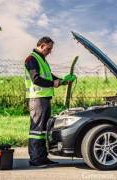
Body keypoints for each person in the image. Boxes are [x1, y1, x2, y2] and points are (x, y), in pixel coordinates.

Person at [24, 37, 75, 167]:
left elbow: (49, 76)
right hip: (37, 99)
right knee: (36, 131)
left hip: (44, 98)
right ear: (41, 45)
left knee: (42, 131)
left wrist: (62, 81)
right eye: (48, 49)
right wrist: (53, 83)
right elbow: (36, 79)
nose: (50, 51)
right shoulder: (31, 59)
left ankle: (42, 157)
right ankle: (35, 159)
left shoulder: (41, 59)